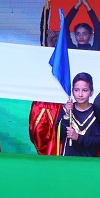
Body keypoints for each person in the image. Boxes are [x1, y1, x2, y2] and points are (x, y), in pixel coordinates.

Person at [29, 26, 63, 155]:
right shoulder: (42, 60)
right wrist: (49, 40)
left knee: (55, 134)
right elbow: (49, 59)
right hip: (41, 101)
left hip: (57, 102)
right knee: (37, 132)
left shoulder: (68, 55)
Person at [57, 73, 100, 157]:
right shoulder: (67, 110)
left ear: (91, 92)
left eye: (85, 90)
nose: (80, 94)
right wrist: (67, 115)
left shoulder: (97, 113)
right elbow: (58, 135)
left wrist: (78, 138)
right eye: (76, 90)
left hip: (89, 160)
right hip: (68, 159)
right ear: (72, 91)